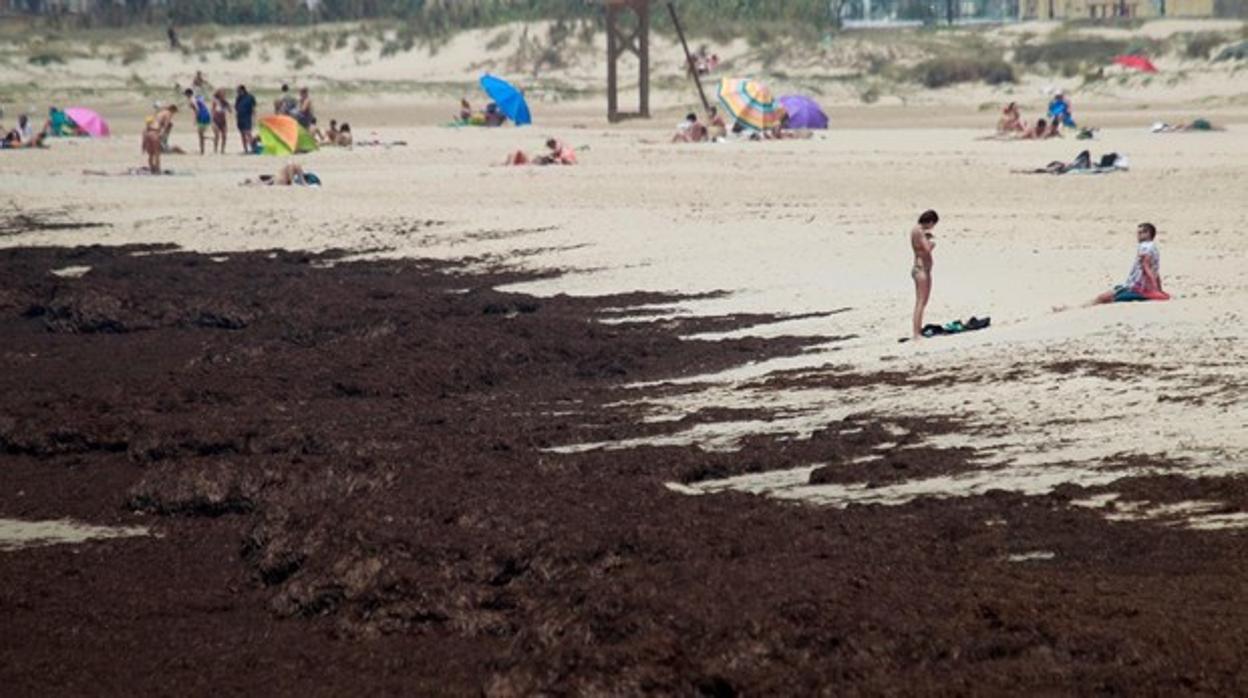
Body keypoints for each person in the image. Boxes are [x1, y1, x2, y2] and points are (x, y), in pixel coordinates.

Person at [1085, 223, 1168, 306]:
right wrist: (1159, 289)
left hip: (1137, 287)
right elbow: (1155, 271)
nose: (1137, 236)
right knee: (1111, 293)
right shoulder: (1154, 247)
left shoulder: (1145, 247)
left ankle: (1085, 306)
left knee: (1102, 298)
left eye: (1140, 233)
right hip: (1140, 286)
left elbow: (1146, 267)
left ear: (1148, 233)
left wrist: (1154, 289)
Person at [910, 209, 939, 340]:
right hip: (920, 269)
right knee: (920, 302)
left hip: (924, 269)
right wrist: (932, 243)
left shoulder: (917, 231)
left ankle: (918, 329)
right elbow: (926, 249)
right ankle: (916, 333)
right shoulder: (919, 231)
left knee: (923, 301)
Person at [144, 104, 176, 174]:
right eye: (174, 113)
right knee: (157, 153)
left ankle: (152, 169)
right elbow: (166, 124)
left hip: (148, 132)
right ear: (173, 110)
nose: (173, 115)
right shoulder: (168, 113)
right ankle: (158, 170)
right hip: (155, 132)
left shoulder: (160, 113)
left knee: (151, 154)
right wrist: (163, 134)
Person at [184, 88, 210, 155]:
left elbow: (197, 109)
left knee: (200, 134)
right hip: (206, 115)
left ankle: (202, 151)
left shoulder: (192, 100)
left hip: (202, 116)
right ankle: (202, 149)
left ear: (188, 94)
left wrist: (195, 119)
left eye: (186, 94)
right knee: (201, 134)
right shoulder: (197, 97)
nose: (185, 96)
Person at [235, 85, 256, 154]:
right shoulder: (238, 98)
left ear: (242, 90)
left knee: (248, 133)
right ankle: (245, 150)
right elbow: (236, 107)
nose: (237, 92)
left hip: (247, 117)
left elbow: (253, 107)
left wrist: (254, 117)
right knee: (242, 134)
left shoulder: (250, 97)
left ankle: (253, 149)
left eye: (238, 91)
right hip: (240, 118)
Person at [210, 89, 231, 154]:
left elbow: (230, 111)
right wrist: (211, 120)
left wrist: (227, 105)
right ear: (219, 95)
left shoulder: (226, 102)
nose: (223, 95)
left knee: (224, 136)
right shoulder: (215, 101)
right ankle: (215, 150)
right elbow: (212, 111)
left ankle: (222, 150)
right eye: (222, 94)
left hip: (223, 121)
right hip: (215, 120)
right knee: (217, 135)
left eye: (224, 94)